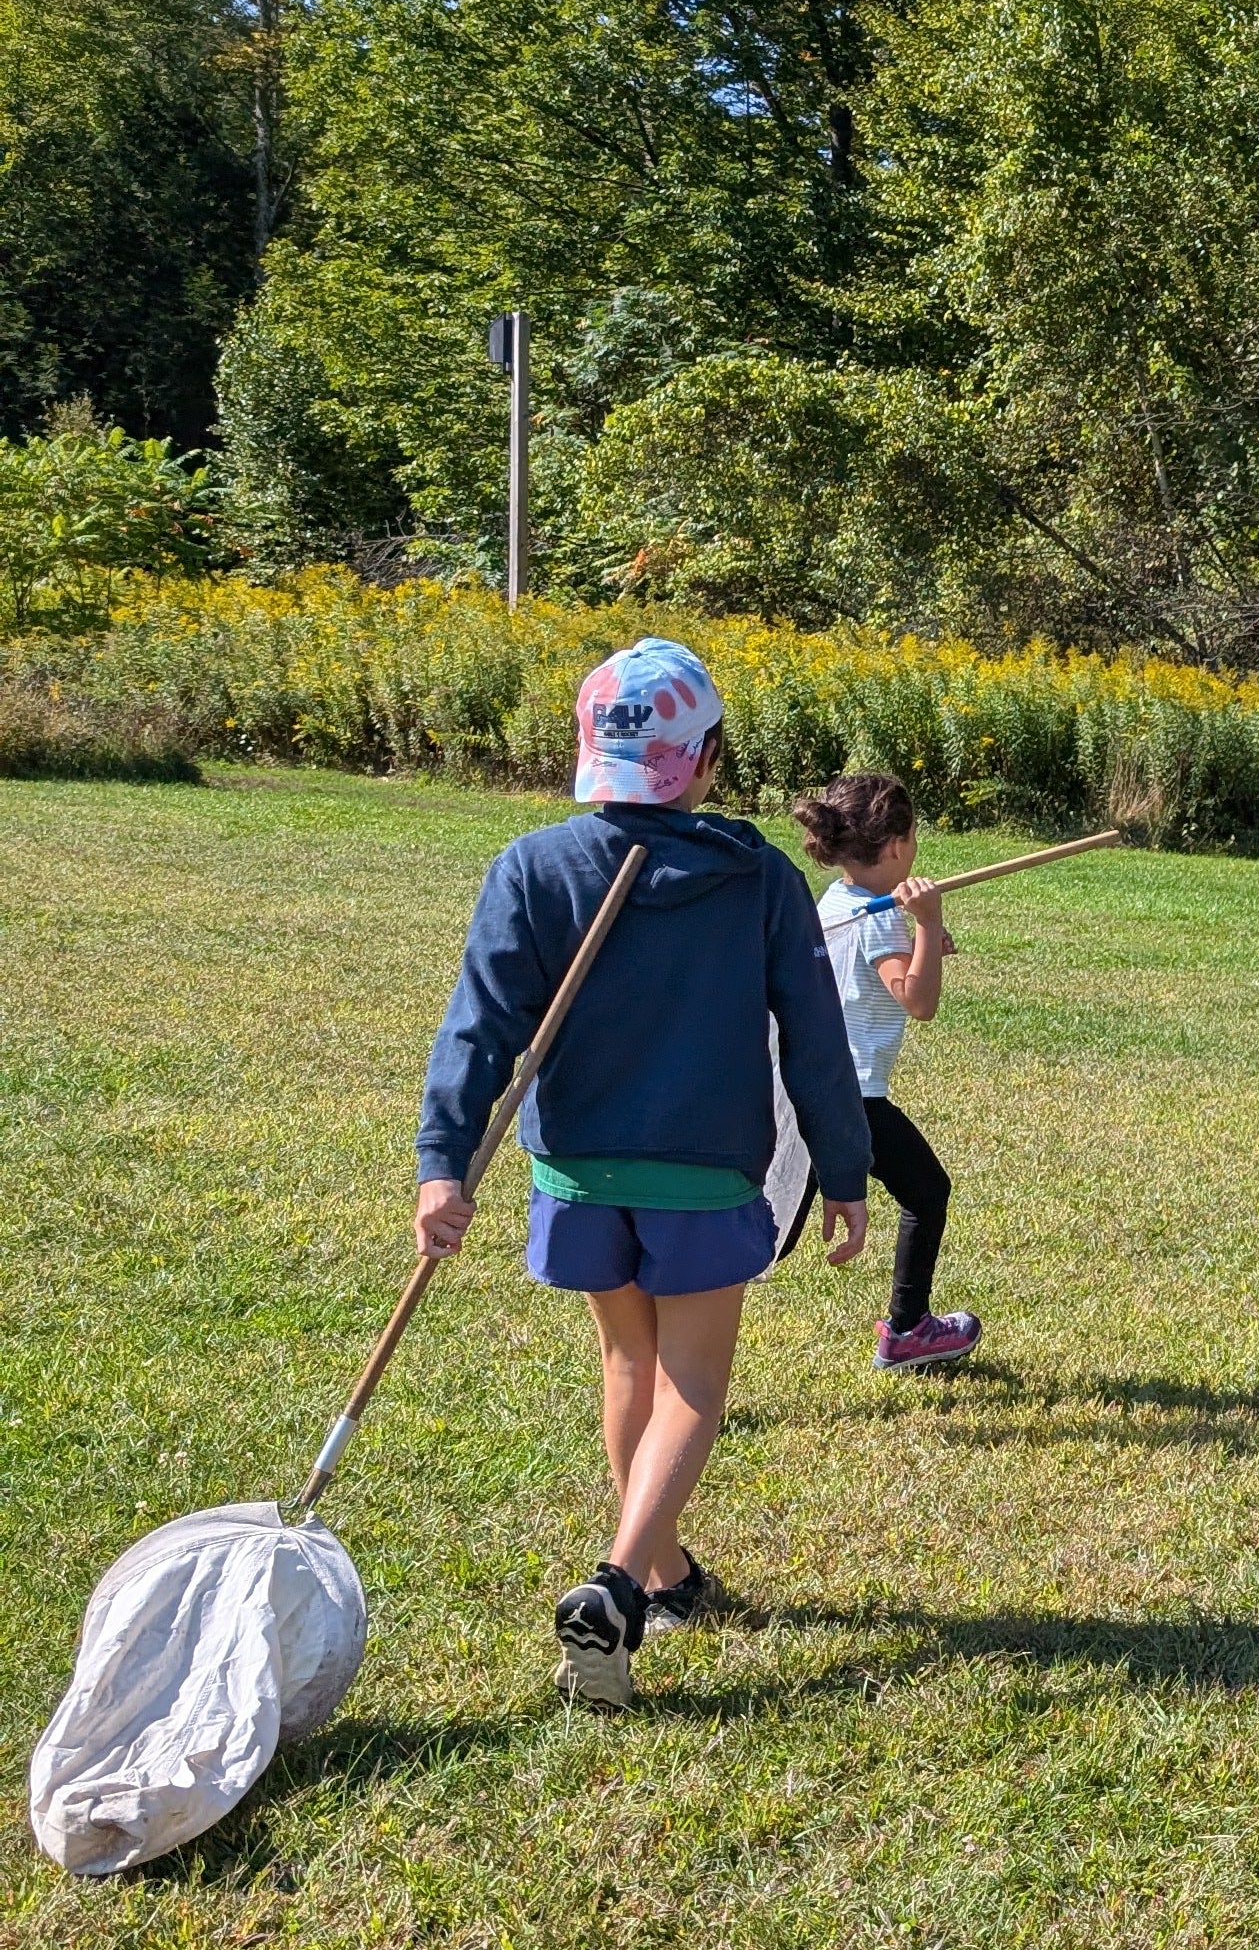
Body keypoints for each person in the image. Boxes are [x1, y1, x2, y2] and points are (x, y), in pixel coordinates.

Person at [415, 638, 870, 1713]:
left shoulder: (532, 865)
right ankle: (623, 1582)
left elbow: (476, 1028)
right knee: (693, 1386)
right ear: (703, 757)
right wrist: (845, 1171)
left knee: (629, 1366)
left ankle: (663, 1574)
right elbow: (814, 1039)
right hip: (704, 1172)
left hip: (575, 1167)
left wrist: (444, 1162)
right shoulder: (758, 875)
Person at [791, 774, 980, 1370]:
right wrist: (925, 923)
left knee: (774, 1224)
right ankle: (907, 1331)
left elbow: (875, 971)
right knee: (926, 1192)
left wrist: (922, 940)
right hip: (854, 1096)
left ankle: (691, 1325)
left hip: (813, 1082)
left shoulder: (838, 900)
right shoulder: (881, 918)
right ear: (896, 846)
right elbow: (918, 1003)